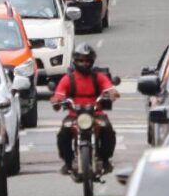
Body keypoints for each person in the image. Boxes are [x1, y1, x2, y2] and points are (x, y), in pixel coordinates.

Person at [51, 44, 120, 175]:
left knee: (108, 131)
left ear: (92, 61)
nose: (84, 63)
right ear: (75, 61)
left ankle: (105, 160)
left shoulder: (98, 77)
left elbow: (109, 87)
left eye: (87, 60)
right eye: (81, 60)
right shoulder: (68, 79)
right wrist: (56, 100)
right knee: (63, 135)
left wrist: (112, 93)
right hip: (74, 116)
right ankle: (68, 162)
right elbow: (59, 94)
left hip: (96, 114)